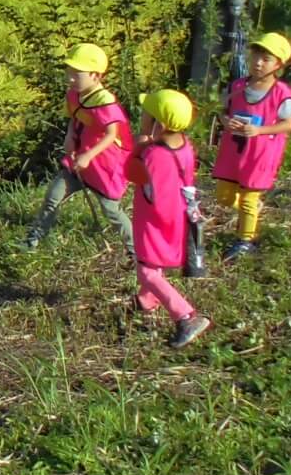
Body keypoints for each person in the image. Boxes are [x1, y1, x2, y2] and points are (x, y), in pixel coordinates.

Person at [24, 43, 134, 255]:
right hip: (77, 162)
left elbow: (112, 134)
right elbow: (74, 118)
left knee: (111, 211)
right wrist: (69, 137)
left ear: (96, 76)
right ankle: (32, 241)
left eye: (77, 74)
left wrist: (89, 155)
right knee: (53, 197)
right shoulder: (74, 94)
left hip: (102, 165)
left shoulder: (104, 102)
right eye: (69, 72)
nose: (70, 78)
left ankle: (135, 251)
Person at [127, 89, 212, 349]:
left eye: (146, 114)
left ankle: (185, 316)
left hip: (156, 222)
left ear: (159, 124)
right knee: (151, 265)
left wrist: (137, 151)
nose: (141, 116)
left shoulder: (155, 156)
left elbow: (139, 181)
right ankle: (146, 303)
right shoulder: (184, 144)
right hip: (178, 215)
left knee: (147, 271)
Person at [212, 32, 291, 260]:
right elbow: (223, 111)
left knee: (249, 199)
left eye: (266, 59)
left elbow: (288, 124)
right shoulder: (238, 86)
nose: (258, 63)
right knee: (224, 196)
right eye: (255, 57)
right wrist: (225, 121)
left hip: (259, 155)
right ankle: (249, 211)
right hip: (233, 152)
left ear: (278, 65)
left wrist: (260, 130)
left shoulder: (281, 93)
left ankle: (245, 241)